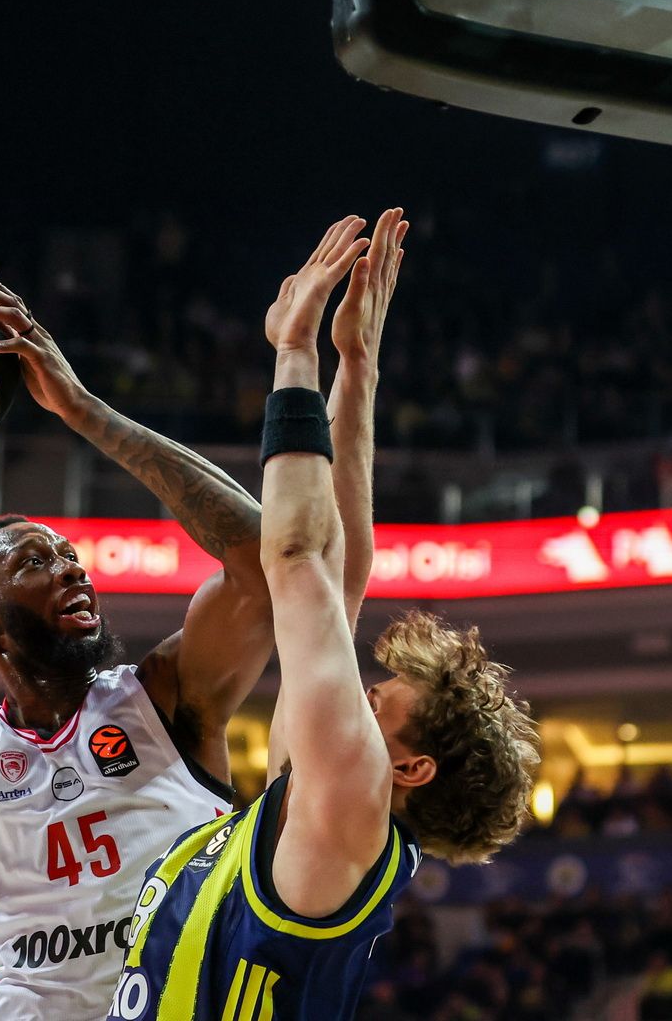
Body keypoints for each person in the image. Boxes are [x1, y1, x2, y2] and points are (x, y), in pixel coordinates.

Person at [0, 215, 379, 1019]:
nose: (70, 567)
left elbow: (266, 569)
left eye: (71, 555)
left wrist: (83, 411)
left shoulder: (166, 700)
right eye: (35, 561)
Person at [105, 210, 541, 1020]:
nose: (362, 693)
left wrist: (296, 353)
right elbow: (335, 584)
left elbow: (300, 560)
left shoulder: (349, 796)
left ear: (411, 769)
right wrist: (357, 367)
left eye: (380, 705)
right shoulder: (318, 803)